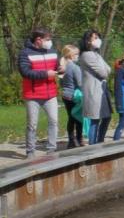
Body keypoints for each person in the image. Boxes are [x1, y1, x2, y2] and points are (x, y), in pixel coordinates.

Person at [18, 27, 61, 158]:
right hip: (33, 95)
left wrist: (61, 69)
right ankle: (30, 152)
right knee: (32, 124)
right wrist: (45, 74)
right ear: (38, 39)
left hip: (51, 94)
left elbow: (56, 67)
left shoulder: (53, 51)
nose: (50, 42)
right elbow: (25, 72)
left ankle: (52, 149)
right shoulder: (25, 53)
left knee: (54, 121)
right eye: (47, 39)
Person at [79, 29, 112, 144]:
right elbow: (104, 73)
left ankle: (100, 141)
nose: (98, 40)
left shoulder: (96, 54)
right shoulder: (86, 55)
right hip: (93, 92)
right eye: (95, 38)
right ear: (88, 41)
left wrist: (104, 70)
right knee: (95, 120)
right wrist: (104, 71)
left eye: (98, 37)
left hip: (101, 90)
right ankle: (93, 146)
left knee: (107, 117)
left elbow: (108, 69)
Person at [59, 45, 83, 148]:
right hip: (75, 96)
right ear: (71, 55)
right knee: (78, 118)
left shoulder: (62, 67)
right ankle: (78, 139)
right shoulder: (75, 67)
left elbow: (61, 82)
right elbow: (80, 83)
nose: (78, 56)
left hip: (65, 96)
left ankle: (71, 140)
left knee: (71, 118)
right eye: (76, 54)